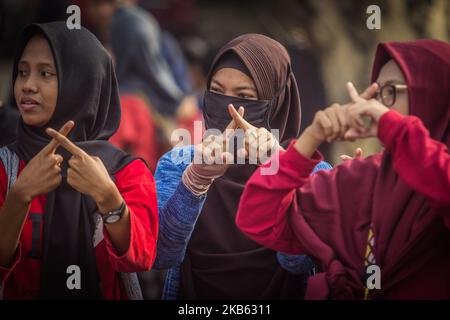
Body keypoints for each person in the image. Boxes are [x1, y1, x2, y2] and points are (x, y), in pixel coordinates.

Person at [236, 39, 450, 299]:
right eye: (377, 93)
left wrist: (396, 129)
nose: (379, 106)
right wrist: (309, 139)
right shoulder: (366, 175)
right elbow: (258, 218)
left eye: (391, 91)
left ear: (436, 93)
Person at [153, 34, 332, 299]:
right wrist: (194, 182)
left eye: (244, 96)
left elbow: (300, 262)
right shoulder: (178, 163)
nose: (229, 109)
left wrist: (282, 173)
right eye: (216, 91)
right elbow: (160, 255)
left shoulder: (313, 175)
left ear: (277, 102)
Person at [0, 22, 158, 299]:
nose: (27, 85)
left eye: (45, 73)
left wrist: (109, 198)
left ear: (82, 82)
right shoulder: (6, 165)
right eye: (22, 72)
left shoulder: (125, 172)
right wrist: (20, 196)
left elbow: (140, 259)